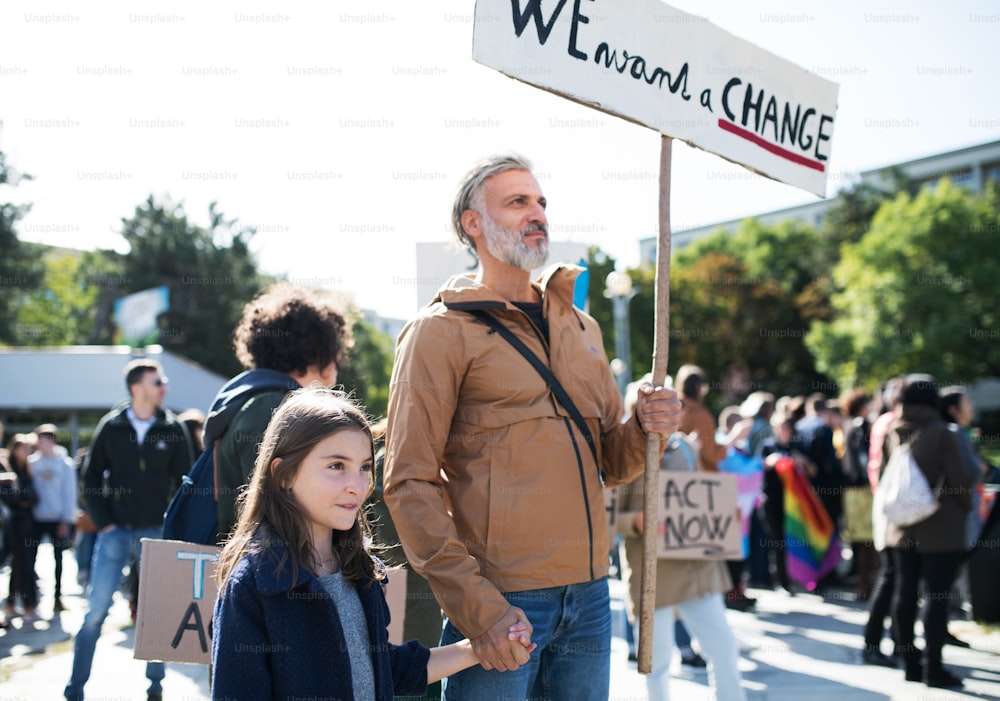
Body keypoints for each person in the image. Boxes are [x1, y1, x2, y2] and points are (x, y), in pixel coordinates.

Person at [384, 153, 681, 701]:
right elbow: (408, 482)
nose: (537, 212)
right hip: (504, 602)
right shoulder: (437, 332)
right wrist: (479, 610)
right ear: (473, 223)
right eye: (517, 201)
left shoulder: (582, 325)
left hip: (593, 596)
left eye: (541, 201)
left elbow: (612, 462)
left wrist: (644, 425)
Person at [212, 387, 531, 700]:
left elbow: (382, 670)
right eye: (337, 466)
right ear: (283, 475)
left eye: (365, 467)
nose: (357, 486)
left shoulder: (362, 570)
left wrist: (479, 646)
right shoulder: (253, 584)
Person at [65, 359, 194, 701]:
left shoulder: (173, 427)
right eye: (158, 381)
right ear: (137, 387)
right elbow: (90, 477)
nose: (164, 387)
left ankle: (155, 688)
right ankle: (74, 690)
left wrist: (174, 524)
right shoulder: (112, 426)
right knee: (95, 613)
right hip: (115, 532)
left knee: (156, 614)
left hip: (156, 532)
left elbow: (187, 482)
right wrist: (104, 521)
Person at [617, 382, 746, 701]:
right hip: (653, 577)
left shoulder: (684, 448)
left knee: (724, 649)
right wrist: (633, 522)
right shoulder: (621, 453)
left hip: (695, 569)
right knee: (656, 662)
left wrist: (723, 512)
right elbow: (604, 515)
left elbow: (701, 490)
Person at [211, 281, 351, 541]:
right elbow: (272, 510)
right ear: (315, 352)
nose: (338, 364)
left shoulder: (255, 398)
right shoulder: (272, 407)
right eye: (335, 352)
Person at [886, 375, 972, 688]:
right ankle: (933, 668)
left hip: (902, 527)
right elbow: (961, 479)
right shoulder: (941, 433)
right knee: (936, 598)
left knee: (905, 594)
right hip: (941, 527)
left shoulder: (894, 430)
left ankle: (909, 662)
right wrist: (964, 507)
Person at [861, 377, 905, 667]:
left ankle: (880, 641)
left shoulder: (880, 421)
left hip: (883, 502)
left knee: (890, 575)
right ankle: (876, 643)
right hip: (893, 507)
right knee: (892, 576)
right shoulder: (893, 422)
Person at [28, 424, 78, 613]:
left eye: (46, 439)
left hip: (58, 518)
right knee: (30, 559)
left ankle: (58, 598)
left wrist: (66, 519)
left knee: (59, 559)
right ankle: (32, 598)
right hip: (36, 518)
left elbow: (69, 493)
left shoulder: (65, 464)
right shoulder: (31, 462)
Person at [1, 433, 40, 626]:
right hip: (14, 525)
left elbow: (34, 497)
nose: (28, 452)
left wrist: (24, 498)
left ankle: (12, 605)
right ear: (15, 449)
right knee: (21, 566)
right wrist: (23, 498)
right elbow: (12, 498)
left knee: (22, 566)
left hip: (27, 524)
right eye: (24, 448)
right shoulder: (7, 468)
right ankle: (27, 607)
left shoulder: (27, 470)